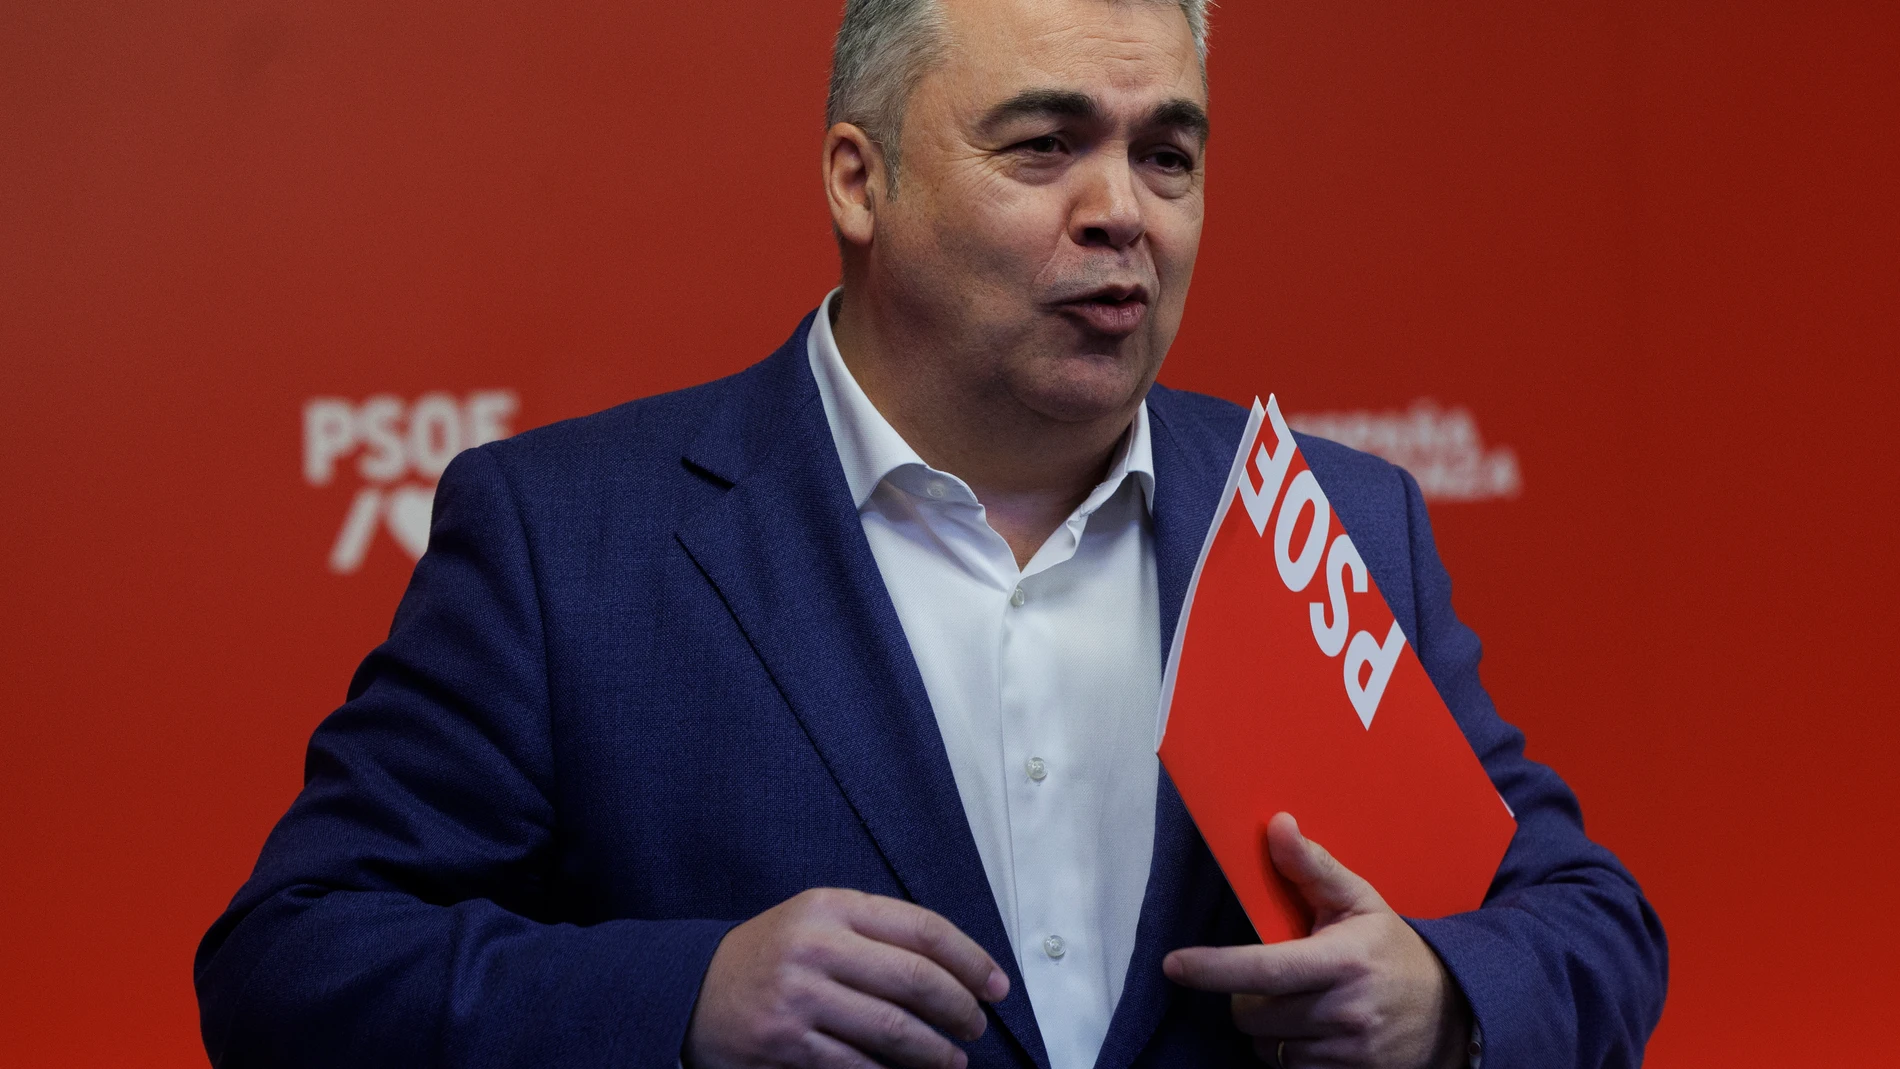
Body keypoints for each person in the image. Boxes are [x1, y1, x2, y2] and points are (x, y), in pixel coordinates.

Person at [195, 1, 1667, 1066]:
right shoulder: (564, 539)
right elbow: (291, 967)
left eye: (1169, 155)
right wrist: (685, 999)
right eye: (1044, 146)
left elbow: (1588, 922)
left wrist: (1447, 1000)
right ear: (860, 179)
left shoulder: (1332, 519)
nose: (1124, 214)